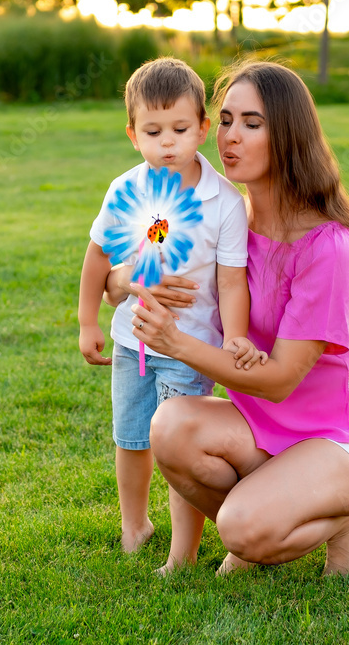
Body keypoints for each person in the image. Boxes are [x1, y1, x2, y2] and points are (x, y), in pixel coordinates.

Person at [108, 60, 349, 576]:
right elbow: (121, 271)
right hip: (261, 425)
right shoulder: (224, 218)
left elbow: (281, 380)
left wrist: (177, 344)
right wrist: (129, 282)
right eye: (224, 120)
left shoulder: (329, 246)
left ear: (287, 136)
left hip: (339, 432)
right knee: (170, 426)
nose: (230, 137)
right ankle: (275, 510)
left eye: (252, 123)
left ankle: (342, 515)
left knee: (241, 531)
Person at [78, 57, 267, 553]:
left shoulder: (223, 202)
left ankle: (181, 552)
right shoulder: (125, 189)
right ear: (132, 134)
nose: (167, 142)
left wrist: (235, 336)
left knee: (173, 448)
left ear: (203, 128)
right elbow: (97, 256)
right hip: (130, 340)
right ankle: (134, 525)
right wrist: (86, 322)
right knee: (131, 438)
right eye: (153, 130)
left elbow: (232, 281)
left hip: (189, 345)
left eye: (180, 129)